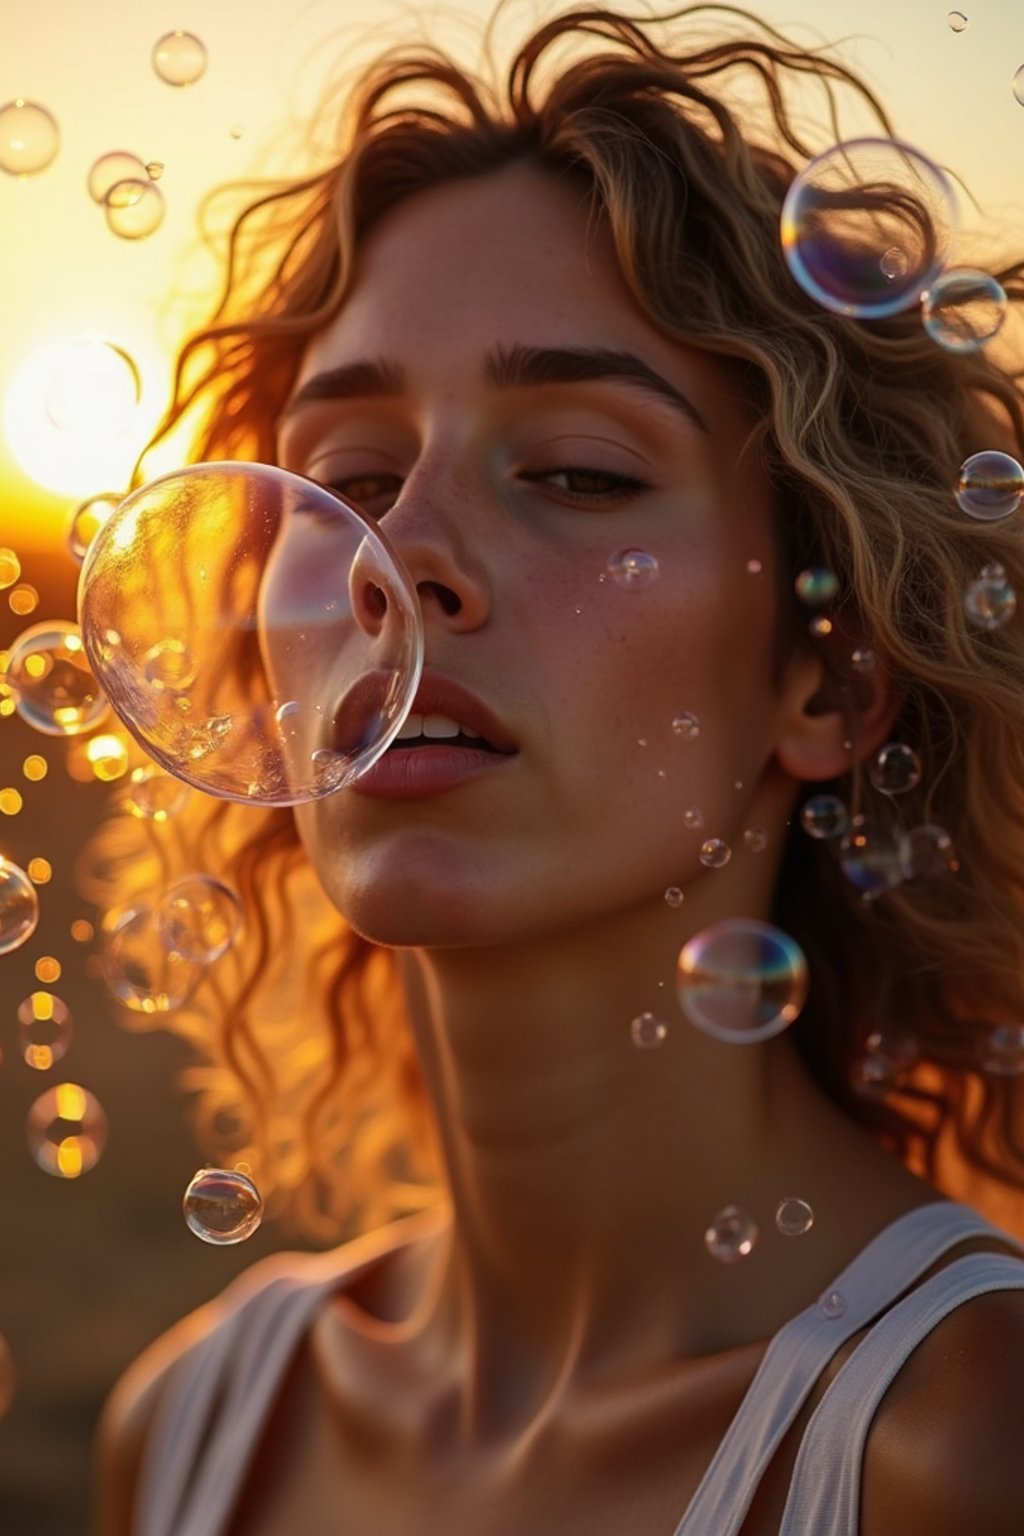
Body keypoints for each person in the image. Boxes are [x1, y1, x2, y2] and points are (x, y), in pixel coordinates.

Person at [91, 2, 1024, 1531]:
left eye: (579, 472)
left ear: (831, 679)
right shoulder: (194, 1424)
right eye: (348, 478)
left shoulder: (964, 1450)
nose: (401, 559)